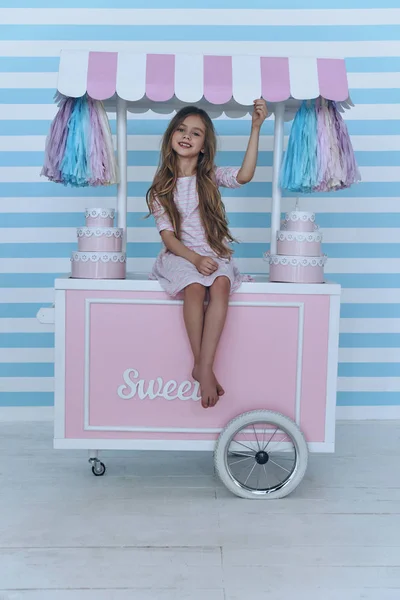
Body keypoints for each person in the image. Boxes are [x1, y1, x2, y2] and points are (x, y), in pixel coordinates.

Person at [146, 100, 267, 409]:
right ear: (171, 136)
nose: (187, 136)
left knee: (222, 284)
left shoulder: (209, 177)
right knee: (195, 287)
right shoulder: (161, 188)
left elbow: (244, 175)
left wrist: (255, 128)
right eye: (182, 129)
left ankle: (204, 363)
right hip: (180, 255)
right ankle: (202, 364)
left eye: (196, 133)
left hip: (210, 252)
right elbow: (169, 238)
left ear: (203, 146)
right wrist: (194, 260)